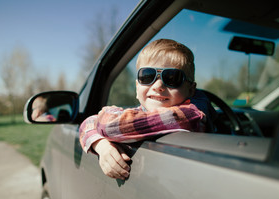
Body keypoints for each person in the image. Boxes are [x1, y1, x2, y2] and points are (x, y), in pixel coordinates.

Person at [79, 39, 215, 180]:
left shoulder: (190, 115)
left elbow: (109, 125)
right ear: (137, 87)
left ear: (191, 89)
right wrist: (101, 145)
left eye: (172, 77)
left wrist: (104, 117)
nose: (158, 85)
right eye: (147, 76)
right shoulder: (143, 112)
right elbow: (87, 123)